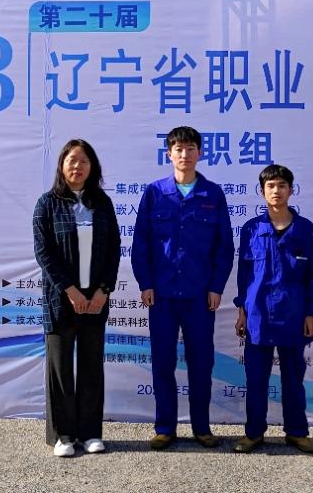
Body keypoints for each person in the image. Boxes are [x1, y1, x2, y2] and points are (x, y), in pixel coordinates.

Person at [131, 126, 234, 450]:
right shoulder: (154, 193)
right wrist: (146, 283)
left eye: (190, 148)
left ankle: (201, 428)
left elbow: (224, 246)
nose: (184, 154)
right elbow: (141, 242)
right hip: (162, 294)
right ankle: (165, 427)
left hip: (199, 295)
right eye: (178, 149)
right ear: (169, 154)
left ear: (200, 153)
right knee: (162, 362)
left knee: (201, 363)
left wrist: (216, 286)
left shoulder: (212, 194)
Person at [32, 139, 121, 458]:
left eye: (84, 161)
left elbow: (113, 250)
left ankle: (91, 433)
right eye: (72, 160)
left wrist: (102, 291)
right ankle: (63, 436)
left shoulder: (102, 203)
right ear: (61, 165)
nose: (77, 166)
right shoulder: (47, 204)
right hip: (61, 301)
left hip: (95, 300)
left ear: (92, 167)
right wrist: (70, 290)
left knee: (91, 367)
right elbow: (44, 252)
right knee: (59, 370)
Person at [233, 164, 313, 454]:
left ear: (291, 190)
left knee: (293, 379)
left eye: (282, 185)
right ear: (262, 192)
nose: (276, 191)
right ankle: (254, 433)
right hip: (258, 315)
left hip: (293, 315)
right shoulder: (252, 229)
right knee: (256, 379)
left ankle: (297, 432)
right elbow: (244, 274)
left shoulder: (305, 229)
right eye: (271, 186)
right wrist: (242, 310)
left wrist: (311, 312)